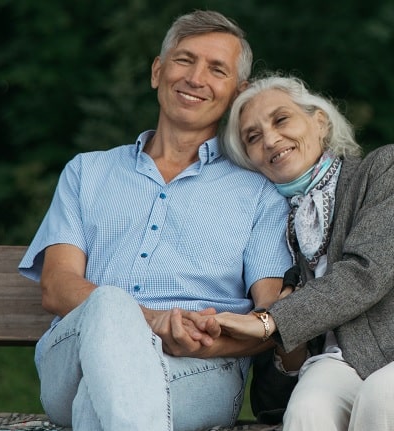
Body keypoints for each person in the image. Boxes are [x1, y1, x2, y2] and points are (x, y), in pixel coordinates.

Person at [18, 11, 293, 431]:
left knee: (98, 407)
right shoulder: (87, 172)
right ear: (157, 71)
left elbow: (270, 314)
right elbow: (57, 287)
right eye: (184, 60)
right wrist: (150, 321)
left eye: (216, 69)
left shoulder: (260, 192)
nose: (196, 77)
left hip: (197, 367)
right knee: (109, 303)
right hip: (72, 357)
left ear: (237, 94)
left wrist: (201, 341)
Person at [208, 74, 394, 430]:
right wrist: (282, 343)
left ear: (319, 122)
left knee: (386, 394)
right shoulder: (269, 226)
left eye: (281, 119)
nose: (270, 138)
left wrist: (271, 321)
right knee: (307, 410)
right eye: (253, 137)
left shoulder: (387, 168)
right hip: (339, 365)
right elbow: (277, 383)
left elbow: (366, 273)